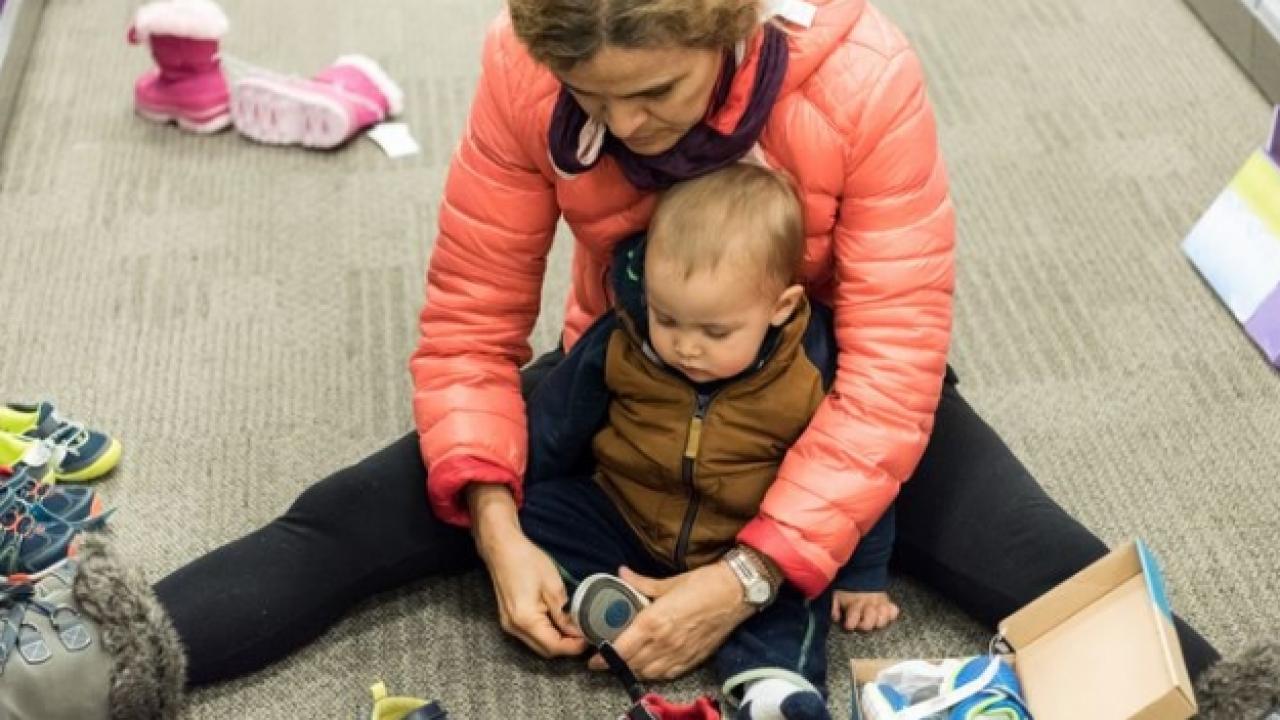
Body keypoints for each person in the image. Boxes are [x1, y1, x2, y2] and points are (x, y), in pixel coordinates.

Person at [7, 0, 1271, 718]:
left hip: (829, 398)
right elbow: (468, 319)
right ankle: (100, 664)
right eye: (588, 95)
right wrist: (497, 526)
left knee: (1050, 562)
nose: (619, 125)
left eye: (652, 92)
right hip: (624, 378)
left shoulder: (864, 77)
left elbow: (892, 367)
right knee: (346, 514)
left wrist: (747, 577)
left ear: (727, 21)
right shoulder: (526, 66)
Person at [523, 161, 897, 716]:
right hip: (628, 513)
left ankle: (773, 691)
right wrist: (524, 489)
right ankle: (613, 599)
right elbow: (556, 422)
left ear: (781, 307)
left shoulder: (811, 368)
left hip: (745, 541)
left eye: (715, 331)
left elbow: (856, 476)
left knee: (800, 591)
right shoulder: (621, 340)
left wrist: (865, 574)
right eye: (667, 319)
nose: (686, 347)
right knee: (538, 511)